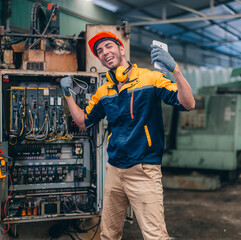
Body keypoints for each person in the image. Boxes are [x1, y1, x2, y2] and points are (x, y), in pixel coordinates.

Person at [60, 31, 195, 240]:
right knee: (108, 234)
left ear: (121, 49)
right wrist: (68, 95)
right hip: (114, 169)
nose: (105, 52)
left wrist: (175, 70)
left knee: (155, 236)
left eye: (108, 46)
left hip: (143, 169)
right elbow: (83, 122)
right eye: (100, 51)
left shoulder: (151, 79)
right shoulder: (104, 91)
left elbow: (188, 103)